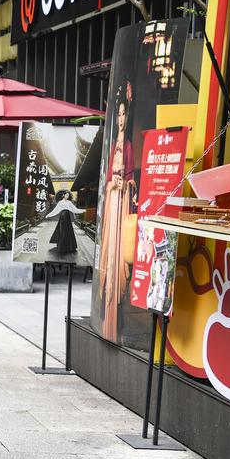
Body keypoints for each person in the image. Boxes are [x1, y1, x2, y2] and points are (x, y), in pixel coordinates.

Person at [97, 83, 136, 343]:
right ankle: (105, 307)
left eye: (123, 114)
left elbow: (132, 180)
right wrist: (114, 184)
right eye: (118, 114)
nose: (120, 119)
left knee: (119, 253)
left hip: (122, 204)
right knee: (109, 252)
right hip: (112, 202)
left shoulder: (129, 146)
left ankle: (116, 313)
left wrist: (126, 185)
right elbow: (108, 178)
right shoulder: (113, 146)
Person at [46, 190, 85, 256]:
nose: (67, 196)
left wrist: (82, 210)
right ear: (63, 195)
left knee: (68, 231)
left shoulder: (69, 202)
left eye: (68, 195)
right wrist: (49, 215)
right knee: (62, 231)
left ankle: (69, 247)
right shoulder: (60, 203)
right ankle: (61, 246)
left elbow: (74, 209)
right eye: (66, 195)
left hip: (67, 217)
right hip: (62, 217)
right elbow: (56, 211)